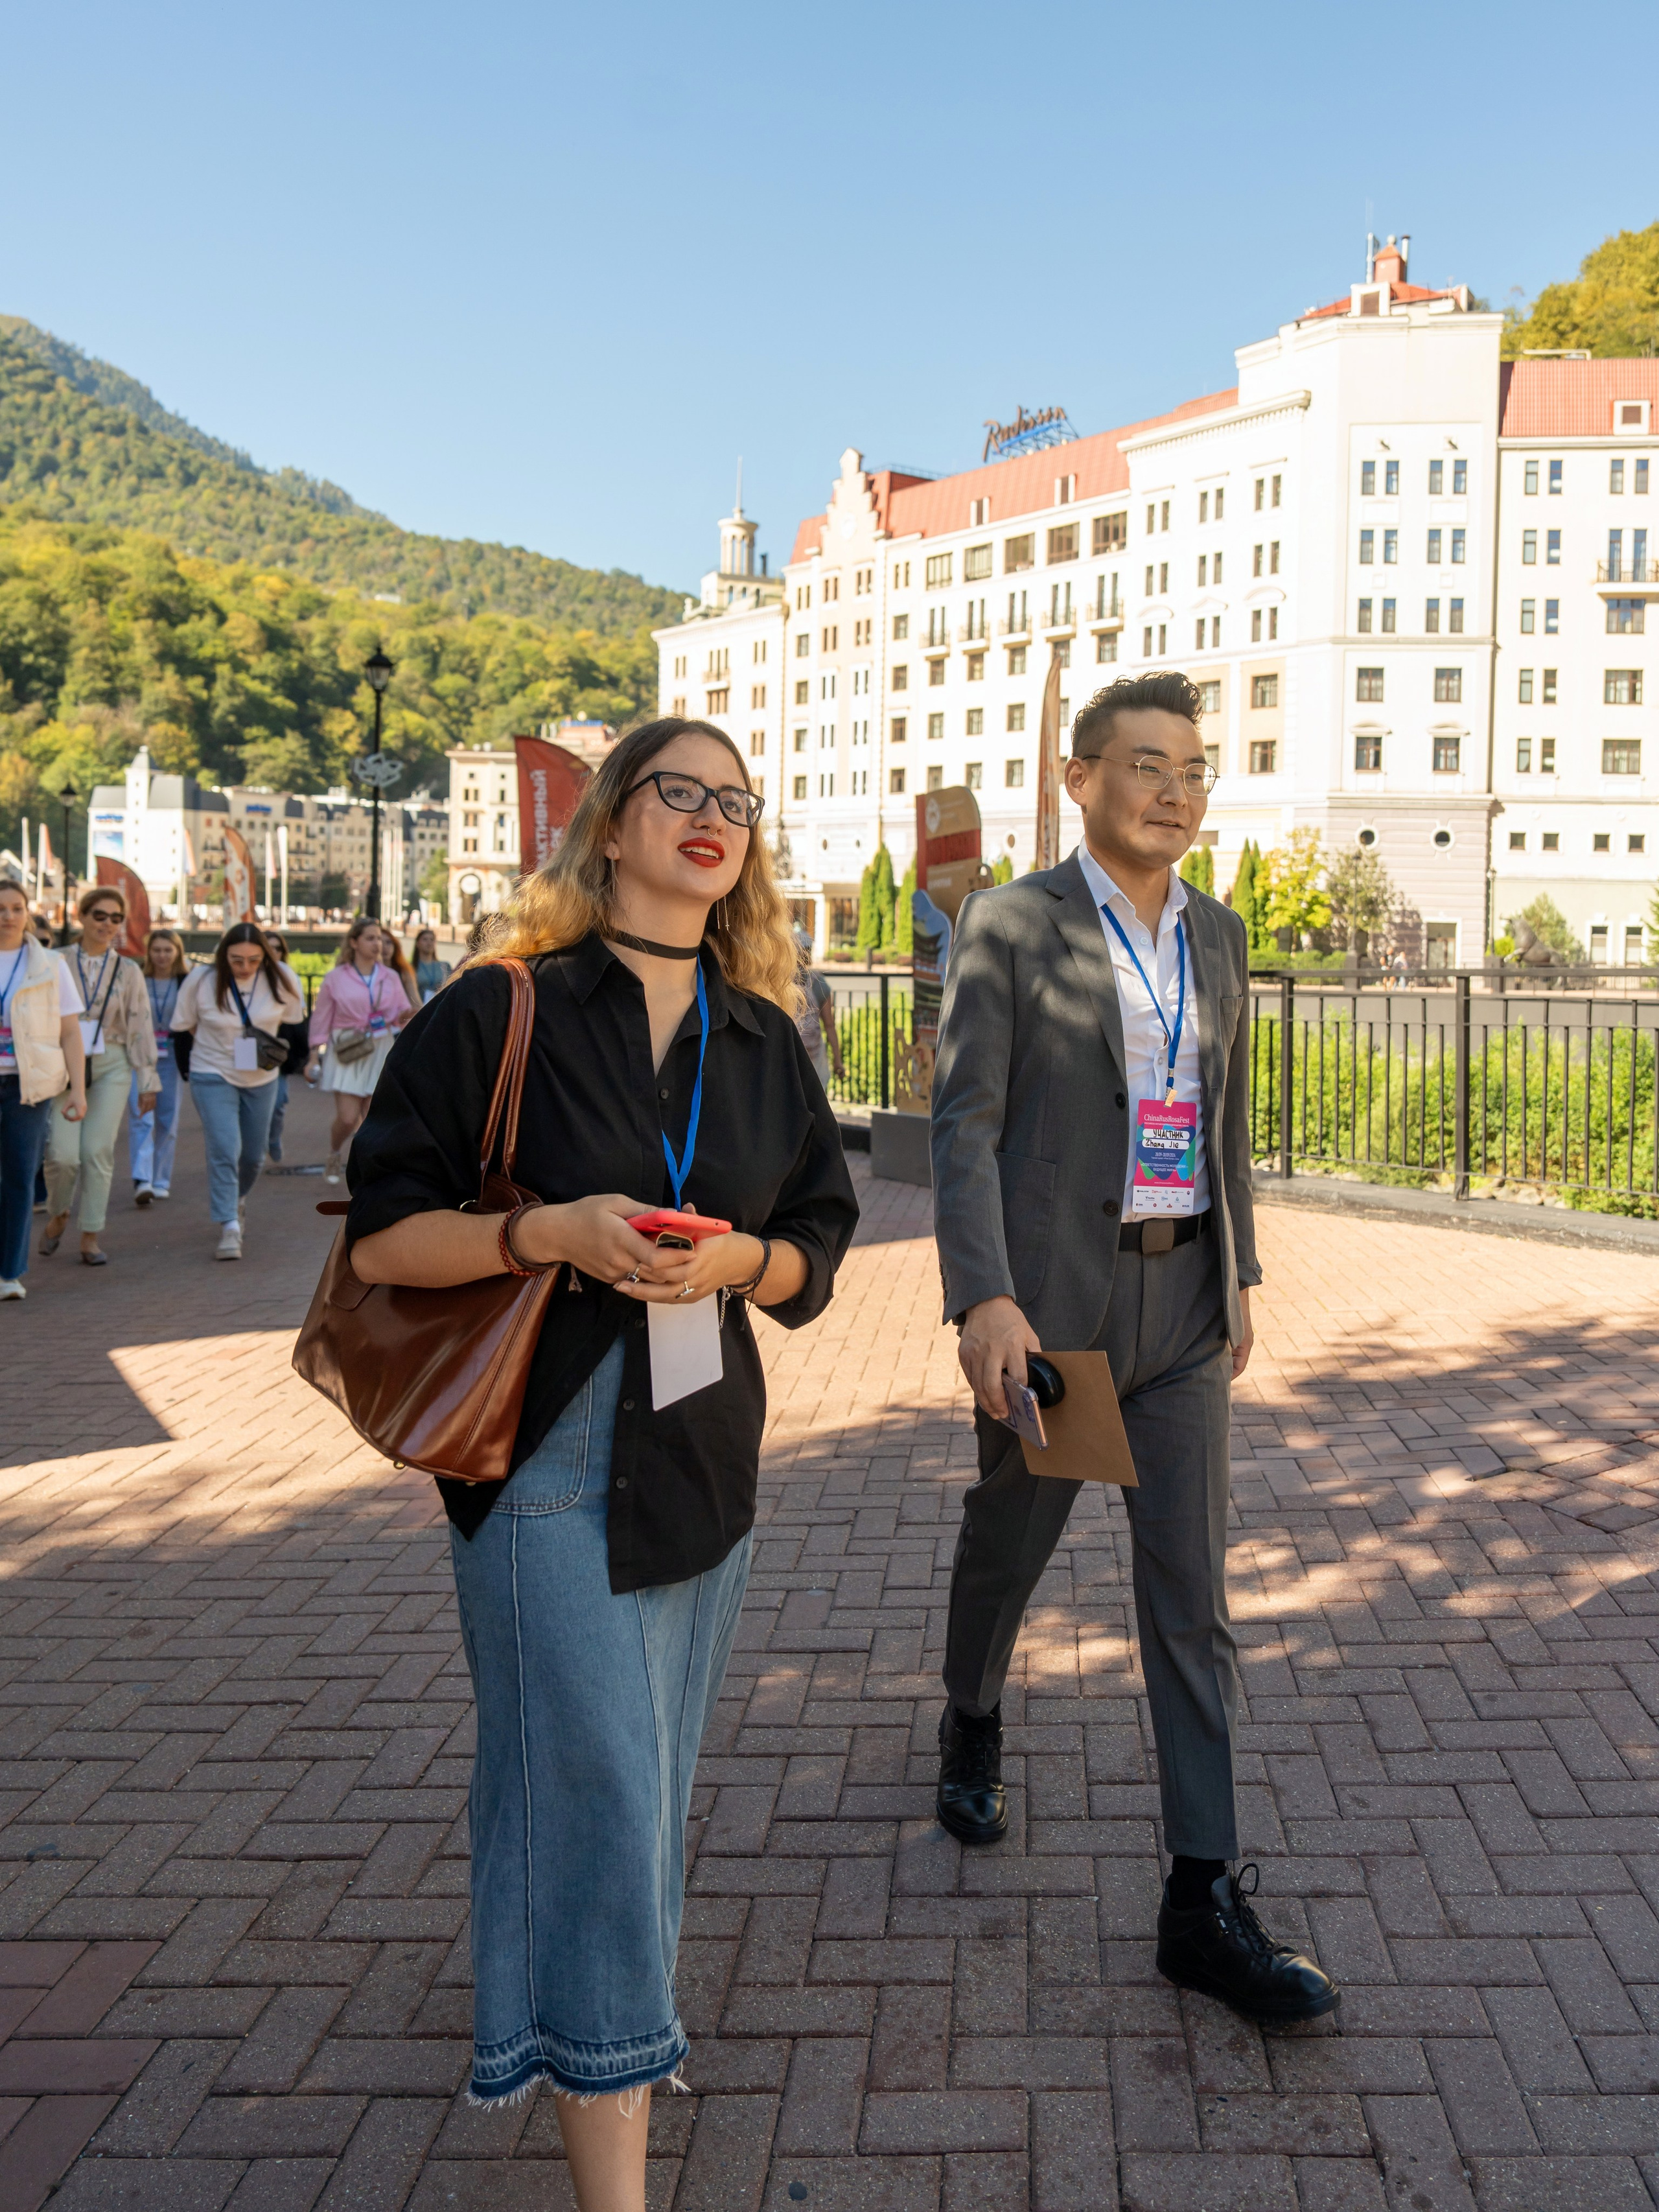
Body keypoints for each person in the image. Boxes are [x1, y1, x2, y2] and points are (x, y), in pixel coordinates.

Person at [345, 716, 857, 2209]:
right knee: (599, 1787)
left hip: (701, 1448)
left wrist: (741, 1260)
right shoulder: (500, 1006)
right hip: (545, 1444)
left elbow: (816, 1241)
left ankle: (576, 2025)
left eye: (736, 803)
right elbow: (384, 1236)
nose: (711, 817)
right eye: (678, 791)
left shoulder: (761, 1038)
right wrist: (544, 1231)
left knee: (640, 1775)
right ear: (613, 821)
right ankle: (613, 2113)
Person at [929, 671, 1337, 2024]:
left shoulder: (1217, 933)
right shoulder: (1011, 923)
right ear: (1080, 777)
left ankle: (1200, 1898)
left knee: (1190, 1601)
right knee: (1011, 1538)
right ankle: (973, 1707)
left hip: (1183, 1305)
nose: (1175, 791)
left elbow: (1223, 1117)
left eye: (1193, 769)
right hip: (1058, 1311)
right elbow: (965, 1125)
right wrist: (984, 1298)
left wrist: (1240, 1271)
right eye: (1146, 764)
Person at [172, 923, 305, 1260]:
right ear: (223, 956)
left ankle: (237, 1198)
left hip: (261, 1077)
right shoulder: (201, 980)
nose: (245, 967)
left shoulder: (283, 977)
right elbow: (185, 1024)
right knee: (224, 1147)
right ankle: (229, 1224)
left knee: (253, 1156)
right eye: (236, 960)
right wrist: (218, 1045)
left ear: (266, 957)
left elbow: (292, 1019)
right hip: (211, 1072)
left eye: (254, 960)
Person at [42, 887, 158, 1266]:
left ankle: (90, 1235)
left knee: (97, 1151)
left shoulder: (128, 970)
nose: (107, 924)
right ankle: (59, 1212)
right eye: (100, 915)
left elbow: (140, 1024)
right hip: (62, 1061)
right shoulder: (55, 961)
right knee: (62, 1155)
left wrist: (148, 1080)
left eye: (116, 918)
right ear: (82, 916)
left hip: (112, 1062)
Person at [0, 877, 86, 1299]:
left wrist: (78, 1090)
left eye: (17, 908)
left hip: (28, 1084)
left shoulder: (51, 965)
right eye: (0, 909)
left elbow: (70, 1032)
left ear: (28, 913)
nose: (8, 916)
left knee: (19, 1175)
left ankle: (9, 1273)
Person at [305, 918, 415, 1183]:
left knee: (372, 1118)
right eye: (370, 938)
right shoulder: (335, 978)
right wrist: (313, 1057)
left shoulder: (390, 977)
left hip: (380, 1046)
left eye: (379, 938)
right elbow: (321, 1019)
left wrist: (413, 1013)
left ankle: (367, 1172)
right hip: (348, 1048)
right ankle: (334, 1153)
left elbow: (401, 1015)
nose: (377, 944)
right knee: (347, 1118)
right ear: (354, 943)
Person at [128, 928, 190, 1204]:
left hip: (173, 1055)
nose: (162, 956)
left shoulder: (185, 982)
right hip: (141, 1055)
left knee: (168, 1118)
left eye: (168, 950)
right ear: (149, 952)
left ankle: (161, 1179)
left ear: (177, 952)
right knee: (141, 1115)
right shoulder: (138, 979)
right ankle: (142, 1179)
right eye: (157, 950)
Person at [261, 929, 304, 1165]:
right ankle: (256, 1146)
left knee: (278, 1102)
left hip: (278, 1047)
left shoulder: (288, 975)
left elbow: (297, 1017)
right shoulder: (248, 976)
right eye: (268, 947)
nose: (272, 952)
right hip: (250, 1047)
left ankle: (273, 1137)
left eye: (277, 948)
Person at [792, 926, 844, 1089]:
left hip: (791, 1054)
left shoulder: (780, 982)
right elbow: (829, 1025)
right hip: (814, 1054)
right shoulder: (818, 982)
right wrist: (837, 1060)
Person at [378, 927, 422, 1015]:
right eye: (381, 942)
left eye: (388, 942)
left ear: (395, 946)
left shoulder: (403, 971)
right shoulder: (369, 972)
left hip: (400, 1018)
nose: (385, 947)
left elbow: (416, 1002)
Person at [413, 926, 452, 1002]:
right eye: (425, 939)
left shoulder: (444, 966)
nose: (429, 943)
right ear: (417, 943)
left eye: (432, 940)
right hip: (419, 1005)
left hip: (439, 1004)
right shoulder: (412, 967)